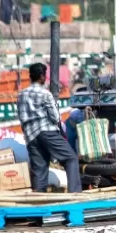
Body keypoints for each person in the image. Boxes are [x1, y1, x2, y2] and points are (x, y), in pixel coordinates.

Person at [17, 62, 82, 194]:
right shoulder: (45, 94)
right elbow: (55, 117)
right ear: (41, 77)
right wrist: (61, 131)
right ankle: (75, 194)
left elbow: (21, 117)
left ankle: (38, 206)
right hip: (47, 132)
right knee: (71, 158)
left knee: (39, 172)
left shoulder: (21, 95)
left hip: (30, 136)